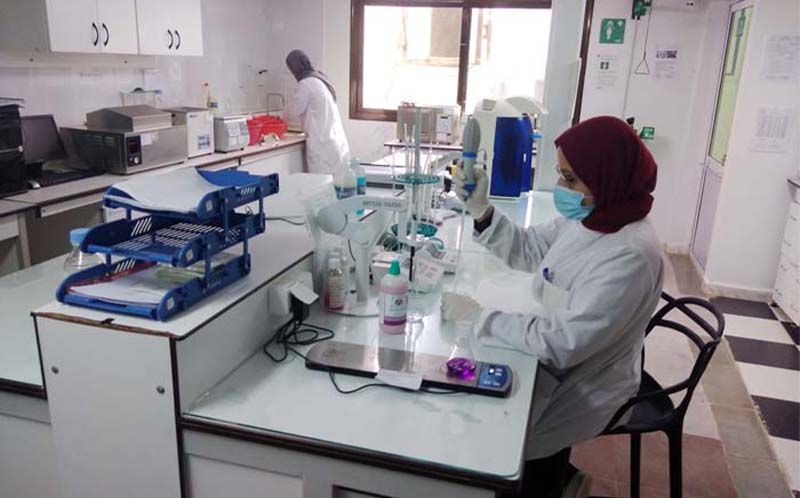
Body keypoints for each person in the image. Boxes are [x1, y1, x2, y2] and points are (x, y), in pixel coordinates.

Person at [443, 116, 664, 498]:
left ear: (607, 176)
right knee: (493, 409)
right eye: (561, 174)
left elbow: (563, 342)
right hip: (558, 358)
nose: (561, 187)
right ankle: (557, 477)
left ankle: (553, 482)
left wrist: (483, 318)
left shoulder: (630, 254)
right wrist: (482, 210)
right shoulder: (594, 217)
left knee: (506, 438)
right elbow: (529, 248)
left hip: (587, 385)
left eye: (571, 179)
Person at [284, 49, 351, 174]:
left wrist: (279, 119)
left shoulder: (305, 84)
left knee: (321, 183)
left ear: (294, 68)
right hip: (335, 142)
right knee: (337, 183)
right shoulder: (320, 79)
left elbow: (292, 111)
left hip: (323, 146)